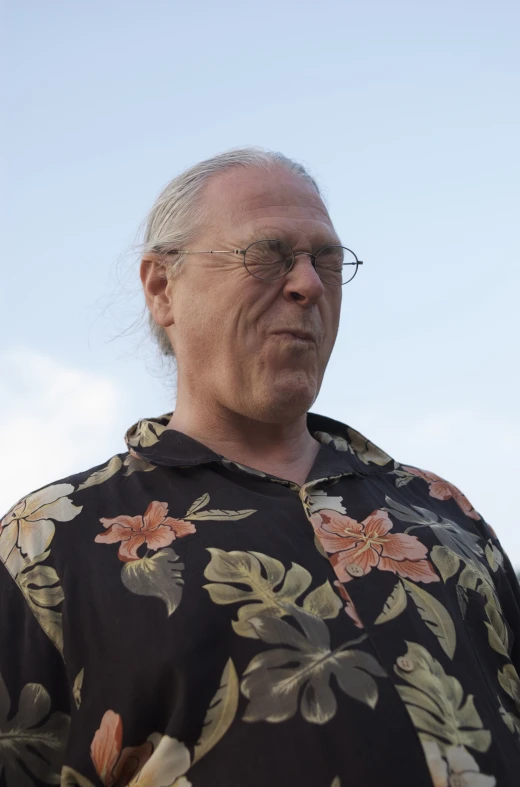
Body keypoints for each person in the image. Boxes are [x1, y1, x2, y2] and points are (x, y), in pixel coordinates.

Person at [1, 148, 519, 787]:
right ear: (163, 288)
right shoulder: (50, 539)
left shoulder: (443, 512)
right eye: (268, 254)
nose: (308, 285)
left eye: (324, 259)